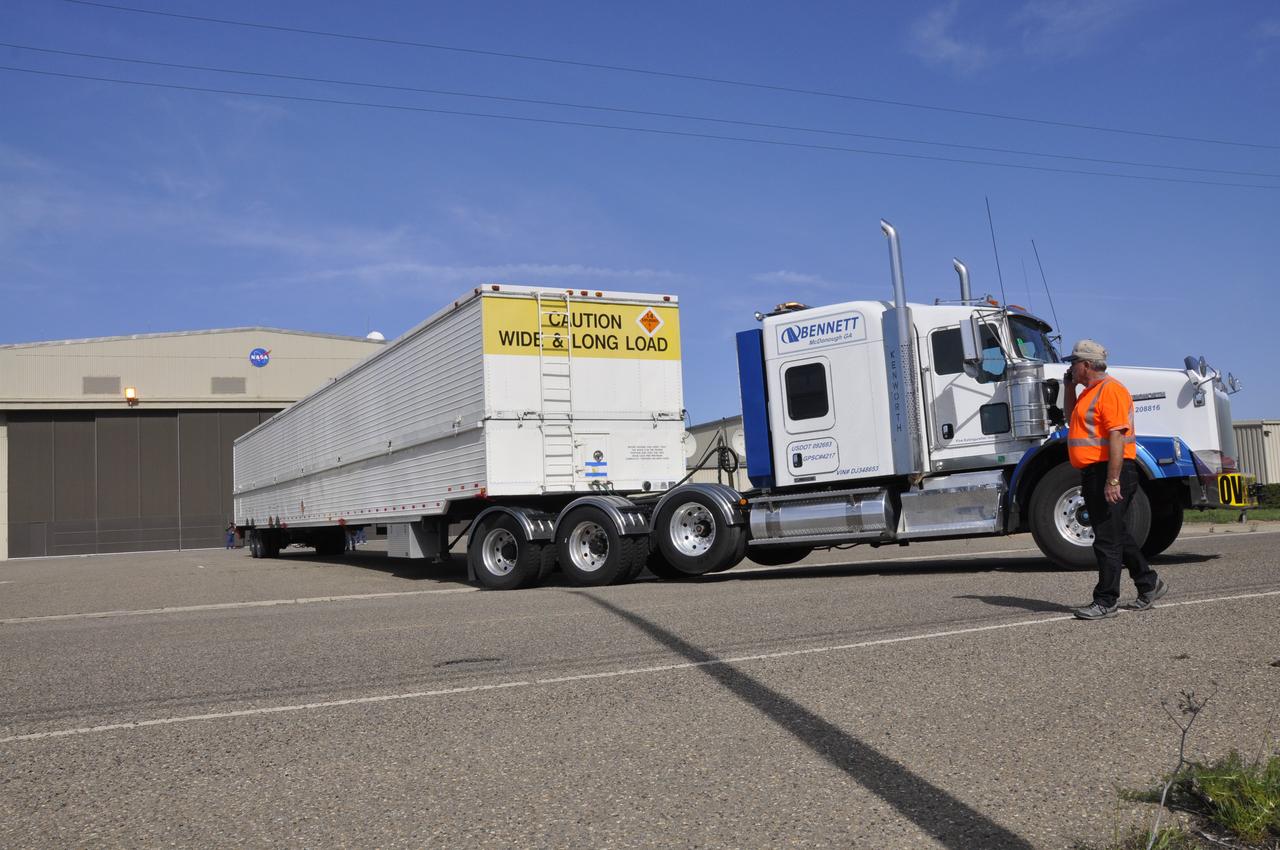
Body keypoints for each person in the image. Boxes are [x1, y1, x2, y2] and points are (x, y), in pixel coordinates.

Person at [1063, 339, 1167, 620]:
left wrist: (1112, 481)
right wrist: (1068, 387)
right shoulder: (1089, 392)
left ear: (1085, 365)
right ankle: (1149, 583)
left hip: (1111, 471)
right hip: (1095, 472)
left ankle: (1106, 600)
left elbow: (1117, 437)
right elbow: (1069, 417)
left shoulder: (1111, 391)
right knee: (1116, 533)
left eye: (1073, 363)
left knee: (1107, 540)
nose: (1070, 367)